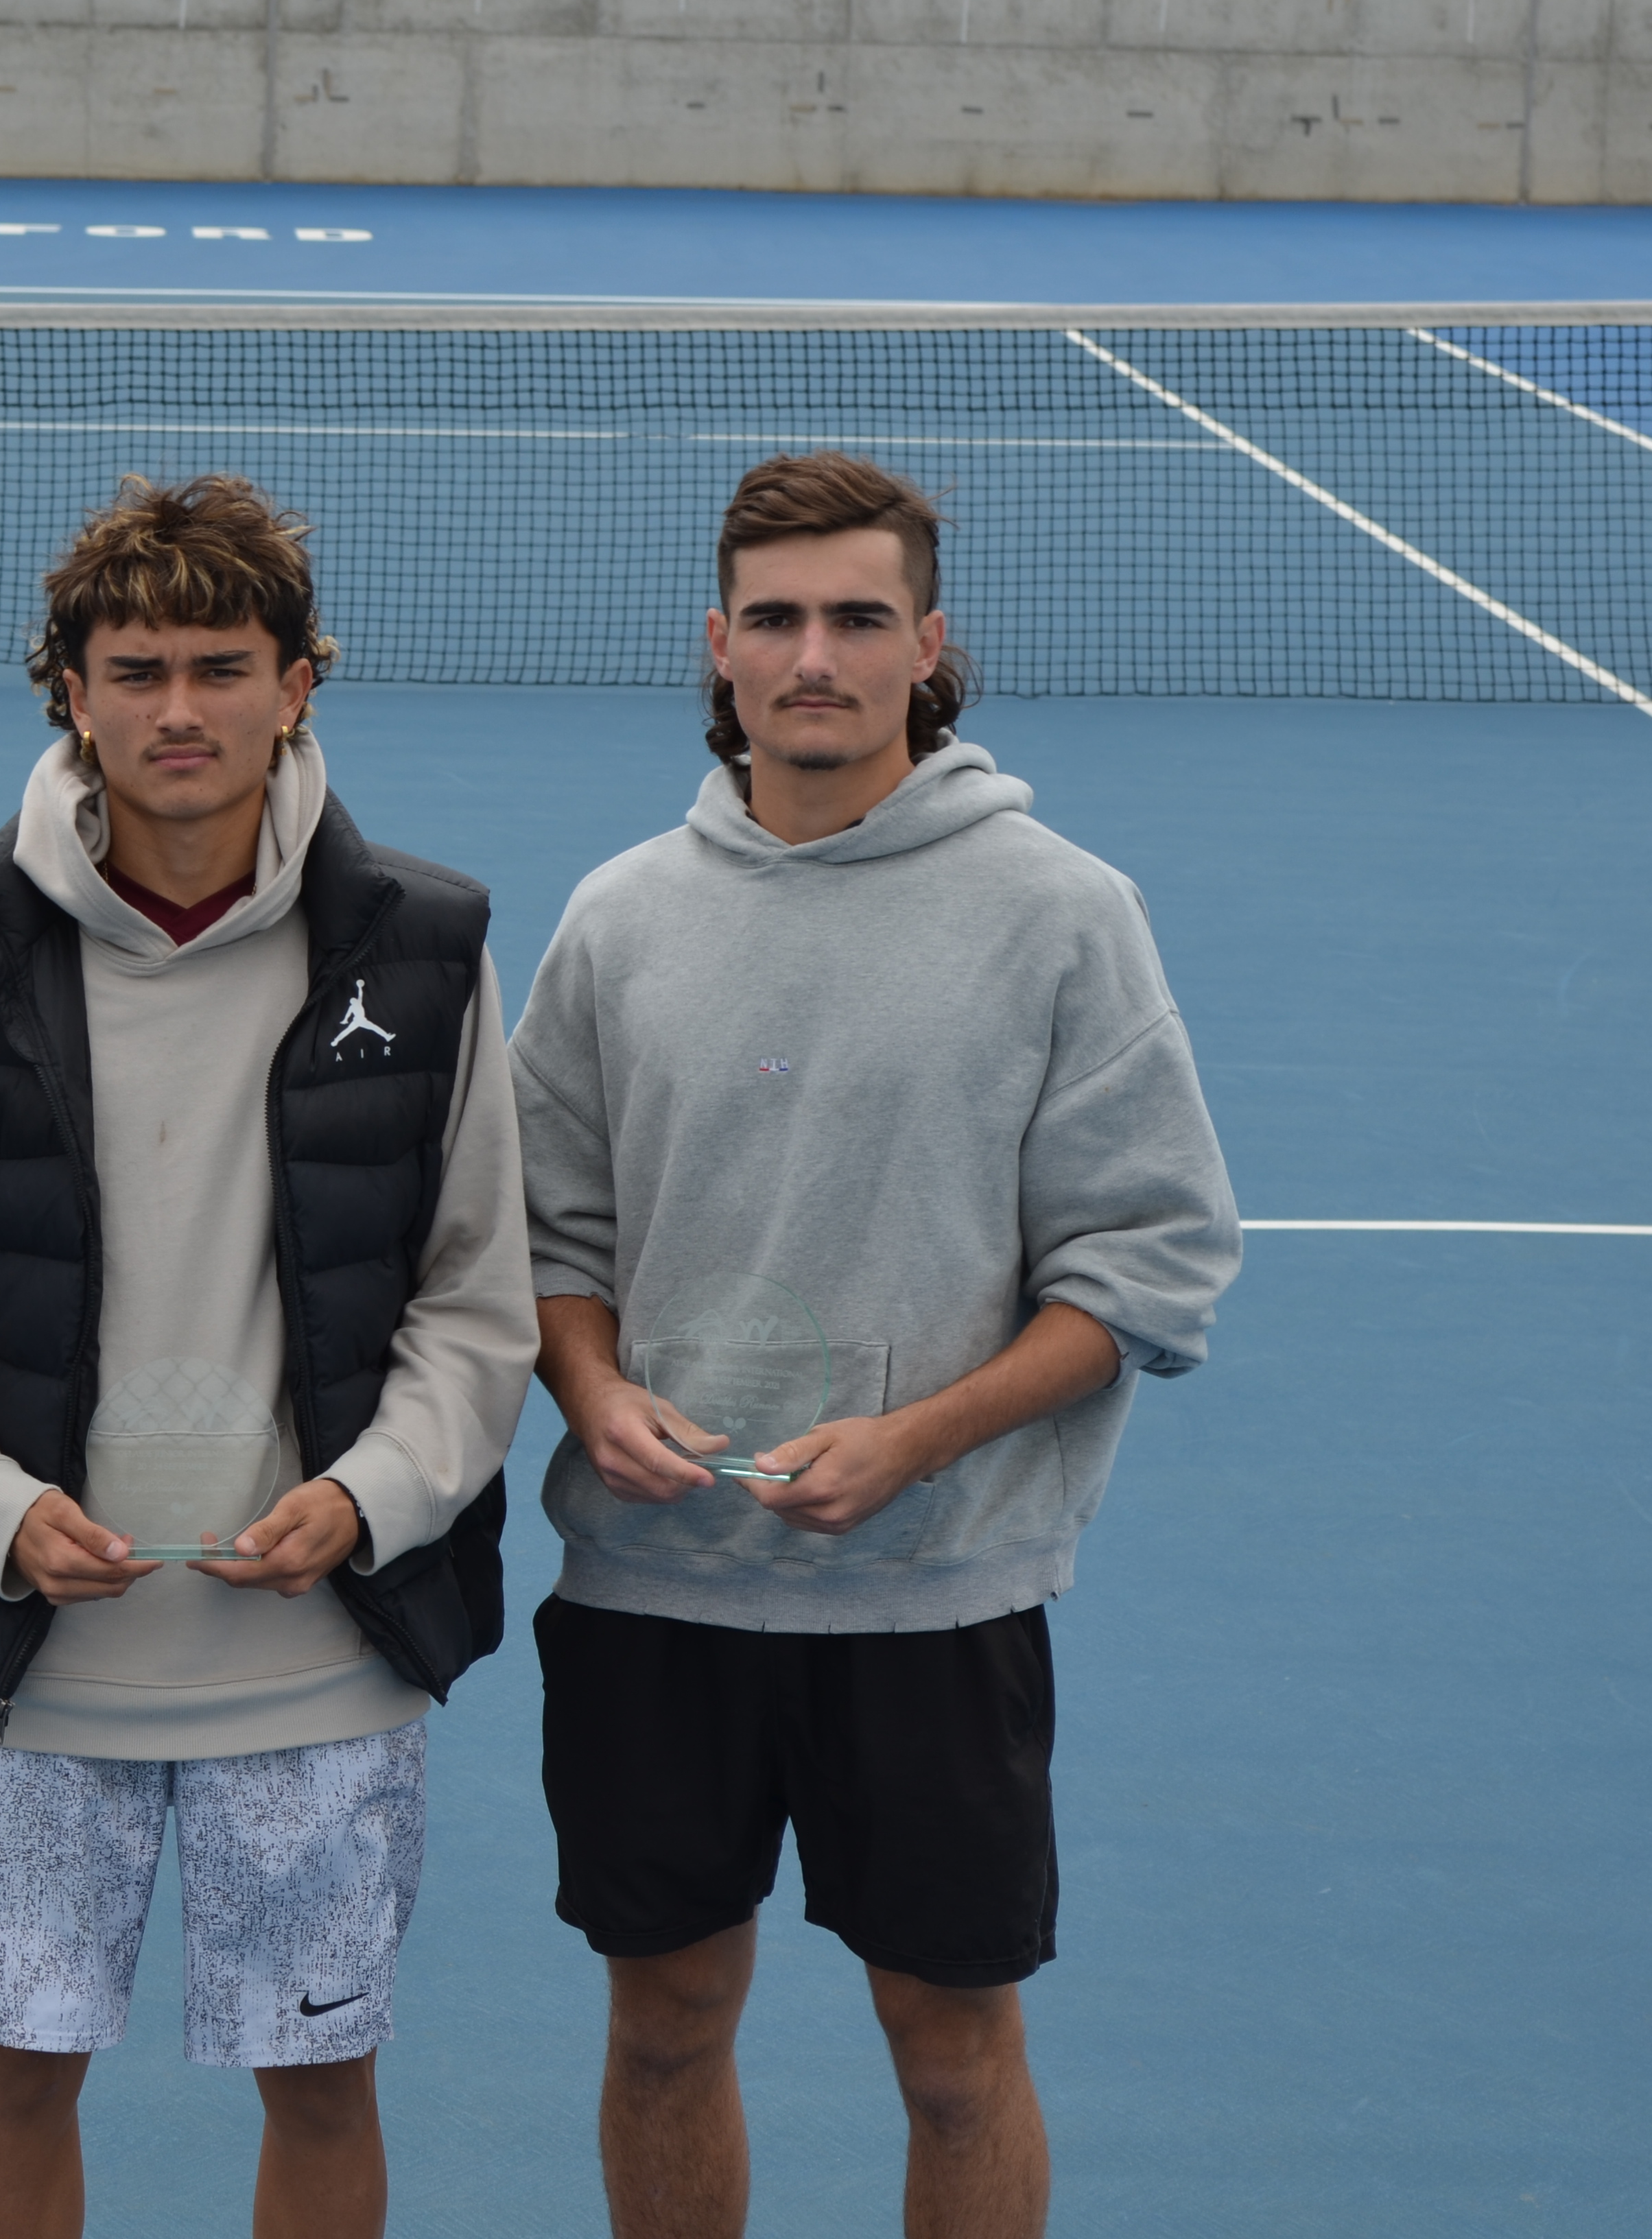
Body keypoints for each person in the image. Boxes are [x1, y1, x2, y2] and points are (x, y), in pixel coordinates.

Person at [507, 451, 1242, 2239]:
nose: (814, 656)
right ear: (720, 646)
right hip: (656, 1596)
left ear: (928, 643)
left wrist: (917, 1441)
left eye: (857, 617)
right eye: (775, 619)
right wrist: (588, 1390)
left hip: (936, 1603)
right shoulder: (620, 916)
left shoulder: (1062, 913)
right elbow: (542, 1234)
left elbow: (1153, 1263)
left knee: (953, 2055)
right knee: (664, 2028)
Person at [0, 473, 541, 2239]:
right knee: (18, 2060)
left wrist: (372, 1498)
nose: (180, 710)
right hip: (40, 1658)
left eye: (222, 668)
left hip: (321, 1654)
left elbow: (475, 1294)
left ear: (297, 684)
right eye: (136, 671)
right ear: (72, 692)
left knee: (323, 2081)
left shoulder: (425, 955)